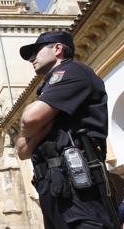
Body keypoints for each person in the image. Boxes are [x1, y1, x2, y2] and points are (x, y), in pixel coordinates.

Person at [15, 30, 115, 229]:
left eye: (37, 51)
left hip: (78, 186)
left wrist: (33, 127)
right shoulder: (46, 88)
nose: (32, 59)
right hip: (53, 187)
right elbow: (22, 150)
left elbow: (29, 118)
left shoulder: (72, 72)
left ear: (58, 48)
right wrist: (40, 131)